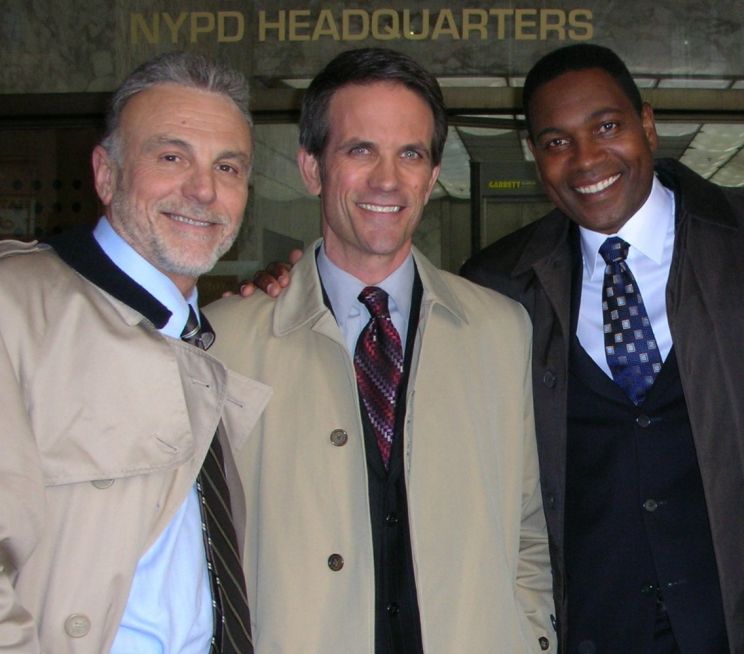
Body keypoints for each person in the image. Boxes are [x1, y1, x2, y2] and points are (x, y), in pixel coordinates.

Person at [206, 47, 554, 654]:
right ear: (312, 168)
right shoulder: (224, 343)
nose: (387, 180)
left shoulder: (503, 331)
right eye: (360, 150)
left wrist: (533, 638)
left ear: (432, 174)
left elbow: (529, 528)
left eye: (410, 154)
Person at [461, 43, 744, 653]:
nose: (586, 159)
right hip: (592, 632)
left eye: (607, 127)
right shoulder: (498, 286)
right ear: (534, 154)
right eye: (557, 141)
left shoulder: (736, 243)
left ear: (647, 124)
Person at [0, 51, 271, 653]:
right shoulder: (13, 309)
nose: (203, 190)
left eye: (227, 167)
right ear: (106, 174)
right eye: (171, 157)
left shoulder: (201, 341)